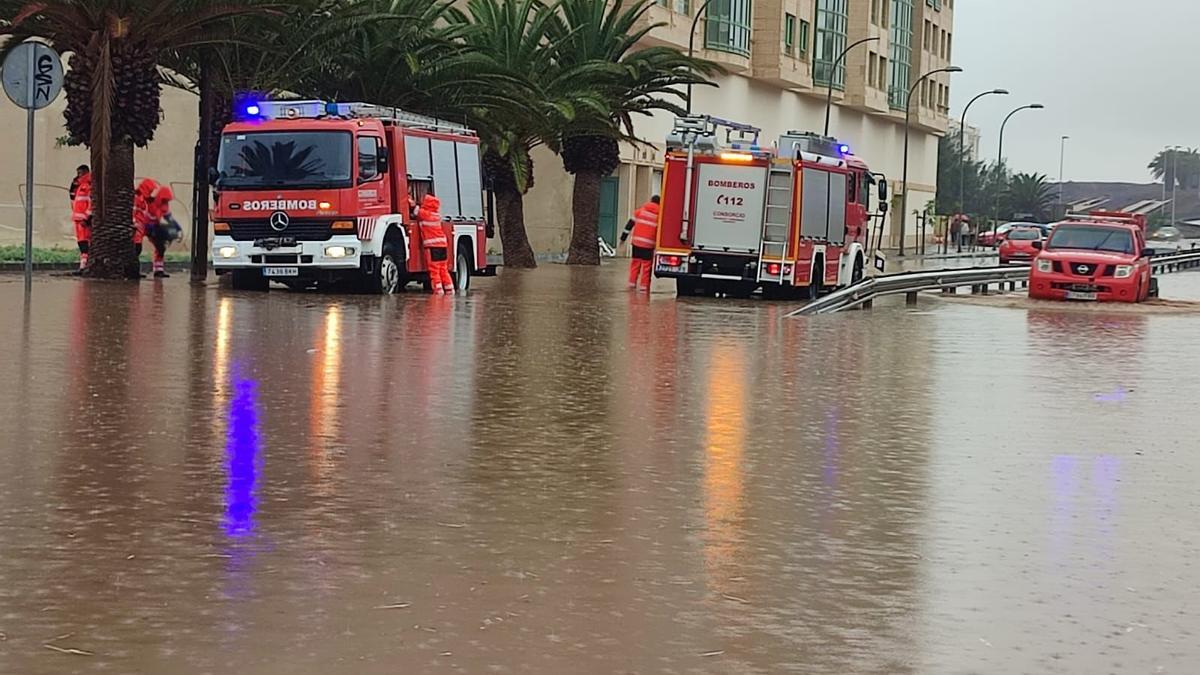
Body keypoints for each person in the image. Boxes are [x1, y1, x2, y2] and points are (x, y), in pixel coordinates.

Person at [133, 178, 181, 278]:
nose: (165, 203)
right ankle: (134, 270)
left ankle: (158, 270)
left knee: (160, 247)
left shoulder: (160, 204)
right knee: (136, 248)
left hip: (151, 226)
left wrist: (177, 228)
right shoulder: (141, 200)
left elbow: (169, 217)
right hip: (140, 226)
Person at [619, 195, 660, 292]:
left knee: (635, 264)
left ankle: (631, 285)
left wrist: (622, 239)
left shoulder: (639, 211)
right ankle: (644, 288)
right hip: (649, 245)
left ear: (650, 201)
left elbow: (628, 226)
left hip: (636, 243)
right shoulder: (659, 216)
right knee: (646, 267)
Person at [417, 194, 454, 295]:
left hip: (432, 246)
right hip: (442, 245)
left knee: (434, 270)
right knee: (443, 269)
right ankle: (450, 289)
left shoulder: (425, 214)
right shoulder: (437, 216)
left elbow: (415, 211)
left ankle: (438, 291)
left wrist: (410, 200)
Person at [70, 169, 92, 273]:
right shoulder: (80, 186)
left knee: (85, 244)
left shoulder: (89, 186)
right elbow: (73, 198)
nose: (78, 175)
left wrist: (87, 218)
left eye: (80, 173)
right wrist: (73, 186)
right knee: (81, 243)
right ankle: (83, 266)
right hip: (78, 219)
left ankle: (84, 267)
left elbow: (92, 204)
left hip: (83, 221)